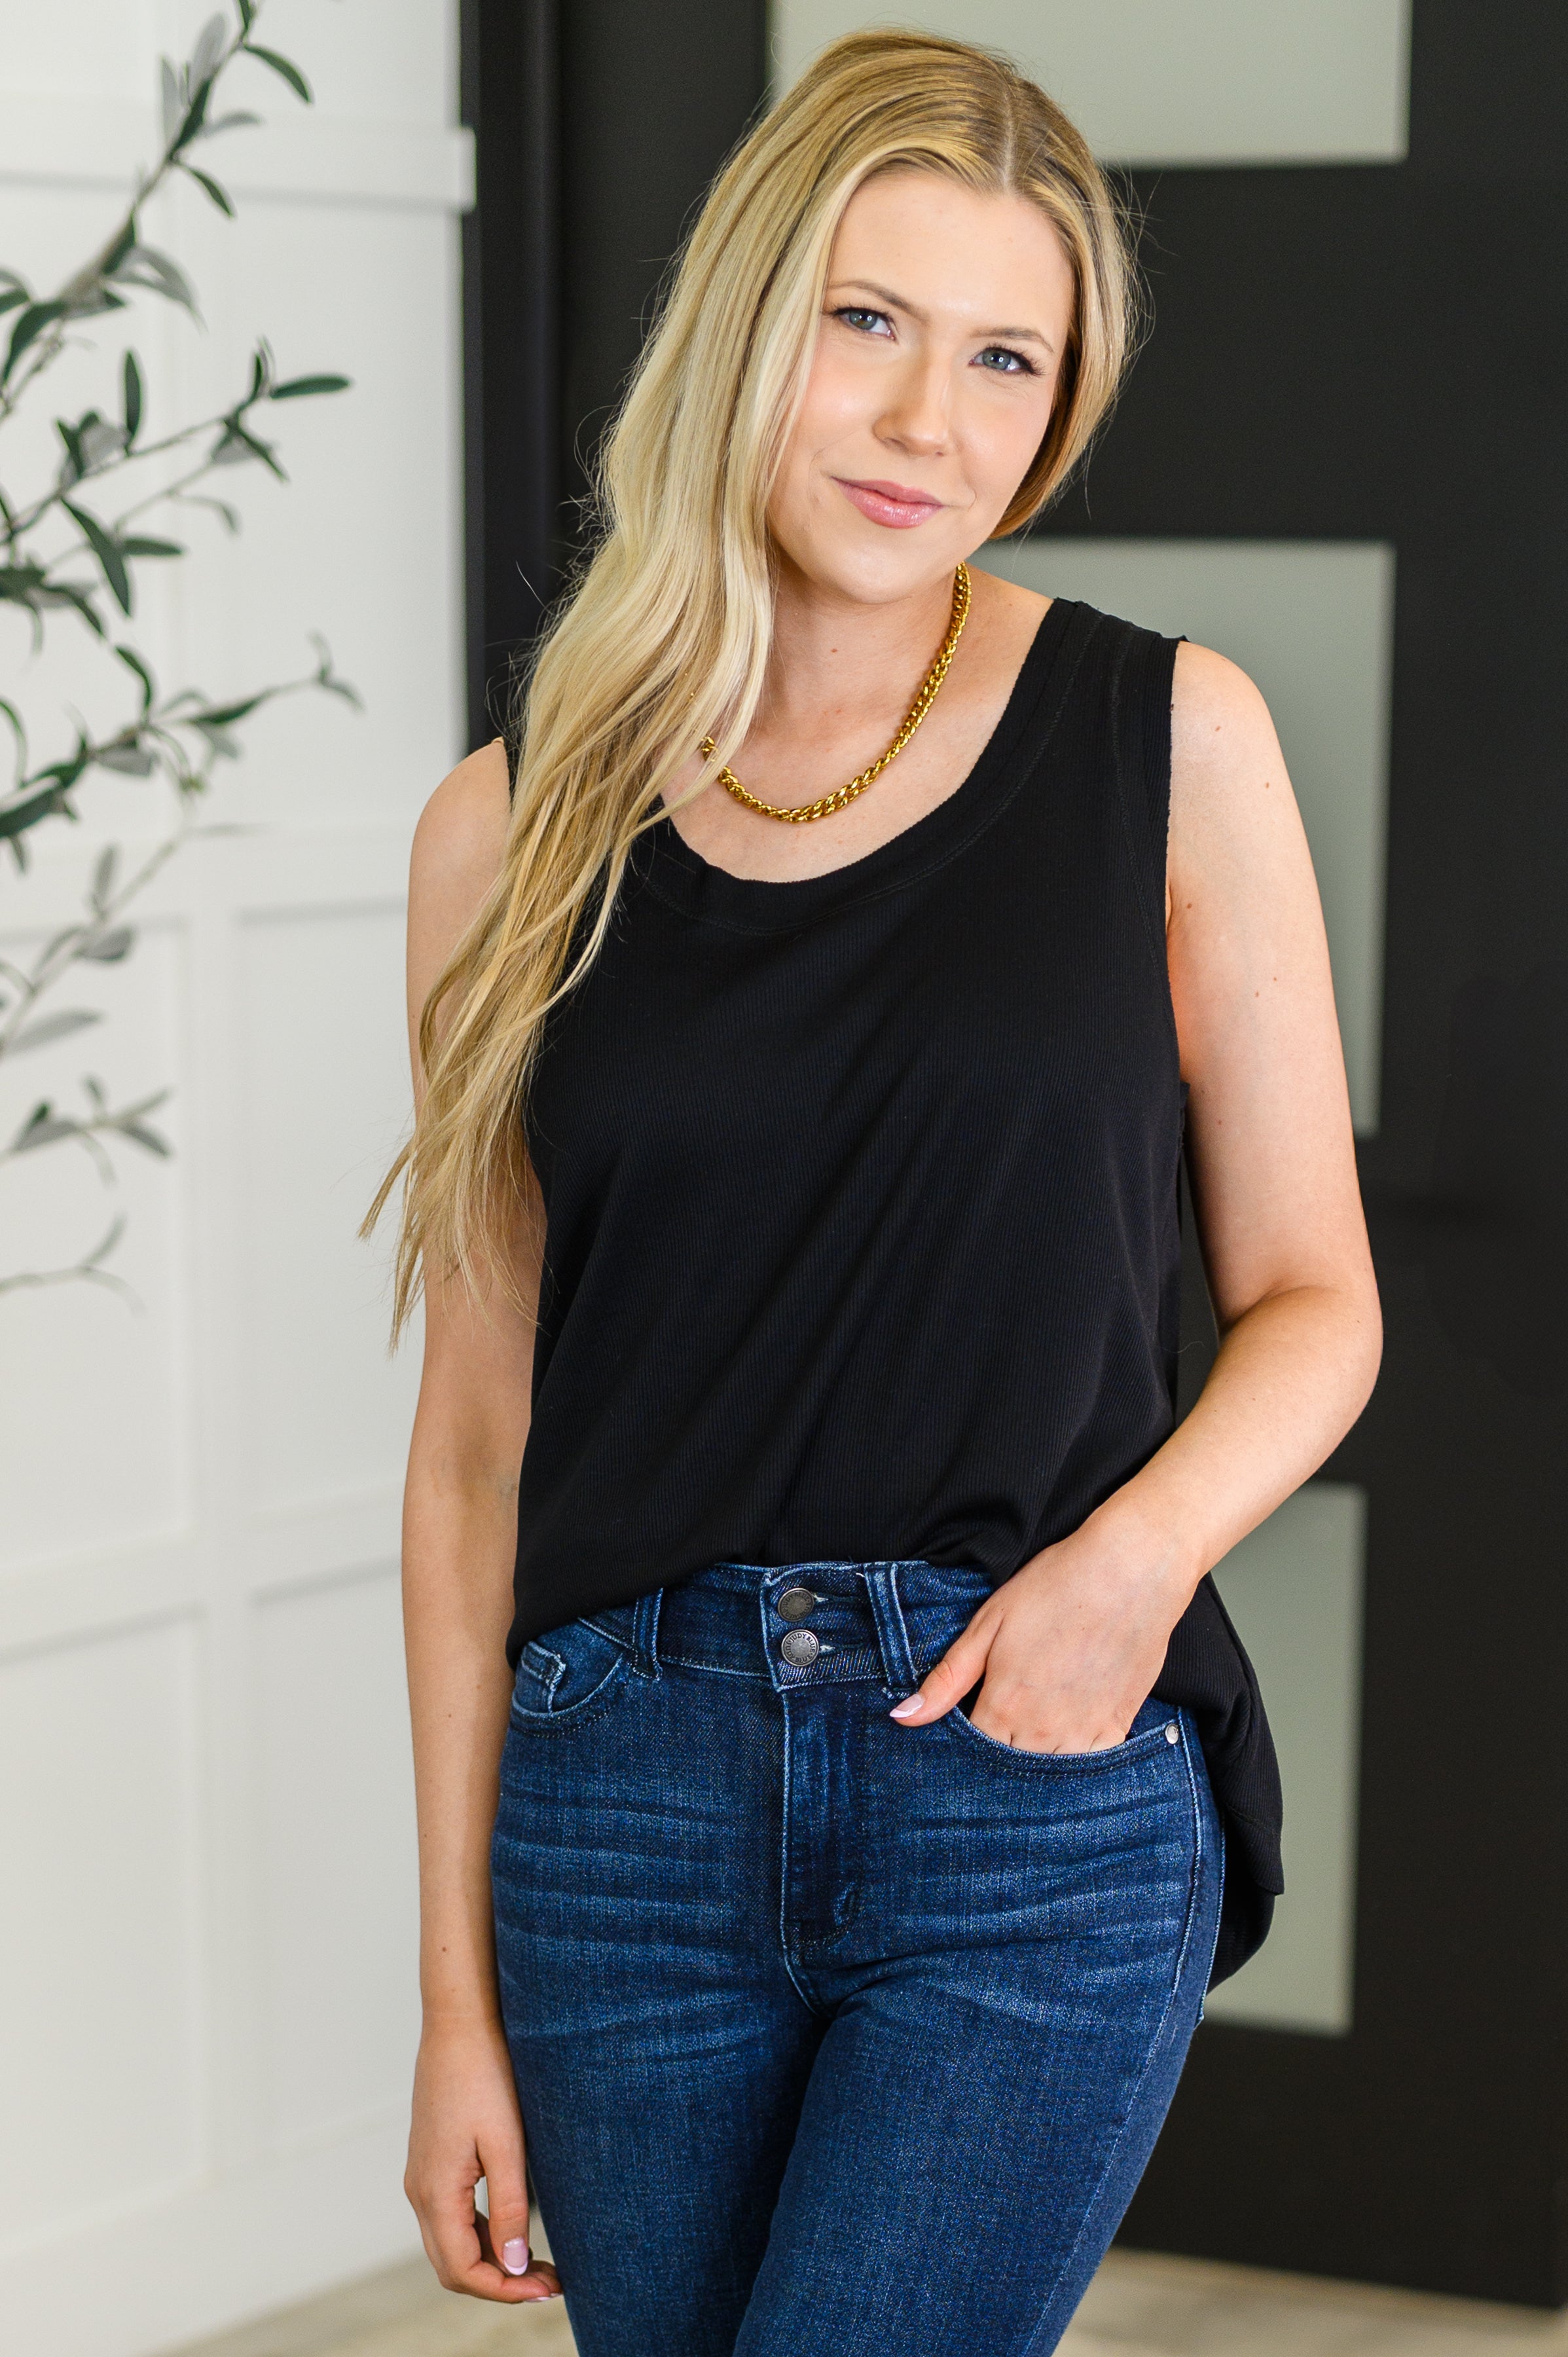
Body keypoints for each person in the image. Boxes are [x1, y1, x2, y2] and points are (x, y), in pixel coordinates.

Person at [371, 29, 1381, 2356]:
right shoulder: (502, 836)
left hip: (1018, 1786)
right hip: (618, 1815)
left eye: (1007, 359)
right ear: (747, 327)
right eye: (869, 323)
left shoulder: (1169, 741)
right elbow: (471, 1454)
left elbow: (1314, 1300)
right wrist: (451, 2003)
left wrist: (1125, 1573)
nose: (932, 422)